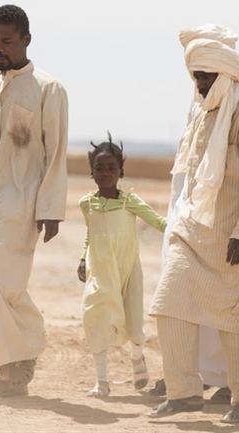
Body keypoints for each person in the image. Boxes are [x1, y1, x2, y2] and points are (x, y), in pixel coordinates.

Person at [148, 24, 239, 424]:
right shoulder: (204, 116)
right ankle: (184, 393)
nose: (201, 84)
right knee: (169, 306)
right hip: (194, 232)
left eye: (207, 77)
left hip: (233, 237)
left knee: (235, 321)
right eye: (197, 77)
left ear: (225, 75)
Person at [0, 5, 69, 398]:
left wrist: (51, 209)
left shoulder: (47, 88)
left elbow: (56, 151)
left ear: (26, 39)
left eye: (6, 40)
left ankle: (25, 350)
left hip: (21, 200)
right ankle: (11, 369)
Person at [76, 134, 166, 398]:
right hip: (100, 273)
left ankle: (138, 358)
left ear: (121, 172)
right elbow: (90, 233)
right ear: (91, 173)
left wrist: (183, 232)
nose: (105, 173)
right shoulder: (86, 203)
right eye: (99, 168)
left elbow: (160, 222)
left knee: (134, 324)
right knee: (96, 319)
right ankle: (101, 382)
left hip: (126, 272)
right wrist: (83, 258)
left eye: (111, 168)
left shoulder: (130, 202)